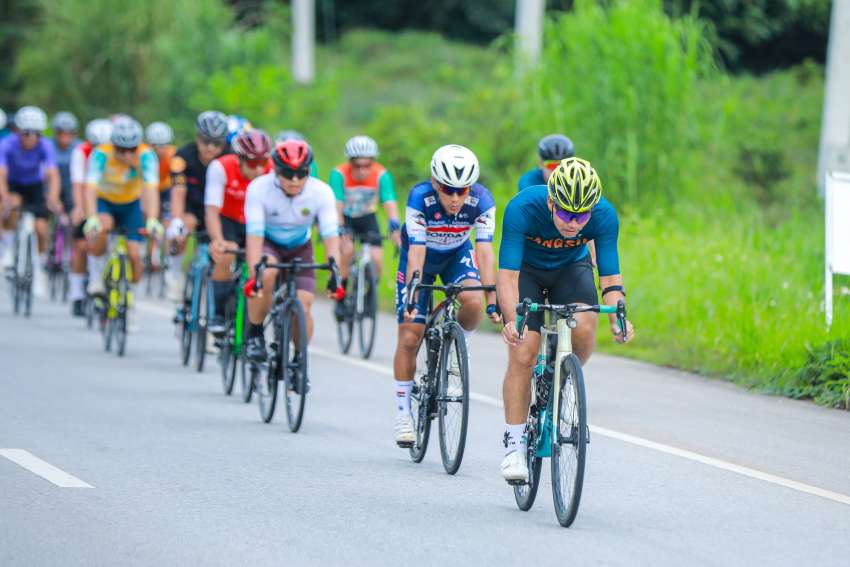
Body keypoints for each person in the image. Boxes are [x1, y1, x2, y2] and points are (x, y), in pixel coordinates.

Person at [497, 157, 634, 482]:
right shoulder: (522, 208)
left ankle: (566, 381)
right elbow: (507, 276)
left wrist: (619, 316)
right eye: (566, 213)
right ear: (550, 201)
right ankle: (513, 446)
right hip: (526, 273)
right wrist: (512, 319)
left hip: (571, 270)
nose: (574, 223)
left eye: (581, 215)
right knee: (523, 352)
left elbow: (611, 280)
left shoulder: (603, 216)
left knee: (586, 325)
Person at [392, 144, 500, 446]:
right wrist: (413, 295)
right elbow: (415, 251)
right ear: (435, 183)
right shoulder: (419, 198)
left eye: (462, 190)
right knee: (411, 334)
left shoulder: (482, 200)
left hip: (456, 255)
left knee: (474, 299)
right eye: (448, 190)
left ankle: (456, 346)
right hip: (422, 259)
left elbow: (485, 250)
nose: (455, 198)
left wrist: (492, 297)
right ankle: (403, 413)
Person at [242, 139, 341, 363]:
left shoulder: (321, 192)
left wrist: (335, 273)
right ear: (276, 170)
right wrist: (253, 275)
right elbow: (255, 236)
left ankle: (299, 358)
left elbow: (329, 235)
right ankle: (255, 334)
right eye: (288, 173)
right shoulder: (259, 188)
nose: (295, 180)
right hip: (270, 243)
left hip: (300, 246)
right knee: (265, 274)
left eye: (301, 172)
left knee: (304, 305)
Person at [82, 116, 163, 325]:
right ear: (113, 146)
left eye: (132, 149)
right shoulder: (101, 153)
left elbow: (151, 188)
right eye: (122, 149)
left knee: (135, 254)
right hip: (105, 202)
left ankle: (131, 299)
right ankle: (96, 277)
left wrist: (153, 219)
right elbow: (89, 188)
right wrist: (91, 217)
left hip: (130, 204)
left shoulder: (146, 155)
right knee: (103, 227)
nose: (127, 155)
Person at [204, 128, 272, 334]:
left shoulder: (272, 171)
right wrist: (217, 240)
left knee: (267, 264)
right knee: (226, 254)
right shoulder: (220, 167)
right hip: (229, 220)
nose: (259, 169)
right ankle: (217, 312)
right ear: (240, 159)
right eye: (253, 163)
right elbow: (212, 210)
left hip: (257, 223)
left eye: (263, 162)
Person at [329, 135, 401, 319]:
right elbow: (336, 204)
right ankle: (340, 298)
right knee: (346, 251)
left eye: (366, 165)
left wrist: (394, 226)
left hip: (368, 218)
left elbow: (390, 202)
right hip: (345, 218)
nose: (362, 170)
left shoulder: (382, 175)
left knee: (377, 260)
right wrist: (340, 228)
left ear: (372, 162)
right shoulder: (338, 174)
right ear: (350, 162)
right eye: (357, 165)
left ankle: (370, 296)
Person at [165, 110, 230, 299]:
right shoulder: (182, 156)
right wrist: (177, 220)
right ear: (197, 137)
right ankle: (175, 273)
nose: (210, 148)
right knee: (184, 226)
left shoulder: (231, 156)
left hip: (219, 209)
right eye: (205, 141)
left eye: (217, 143)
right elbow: (178, 192)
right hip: (192, 206)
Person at [0, 106, 61, 297]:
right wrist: (5, 196)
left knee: (41, 229)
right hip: (14, 184)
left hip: (35, 186)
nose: (30, 138)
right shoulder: (7, 143)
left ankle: (39, 267)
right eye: (26, 133)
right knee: (11, 206)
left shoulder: (46, 145)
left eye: (36, 134)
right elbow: (1, 173)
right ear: (18, 131)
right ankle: (8, 251)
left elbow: (53, 174)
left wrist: (52, 197)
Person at [68, 119, 112, 315]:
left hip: (107, 198)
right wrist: (79, 207)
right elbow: (78, 183)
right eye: (95, 146)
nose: (98, 150)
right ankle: (77, 294)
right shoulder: (81, 152)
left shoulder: (114, 154)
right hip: (87, 196)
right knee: (81, 245)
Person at [51, 112, 80, 215]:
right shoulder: (48, 146)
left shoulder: (80, 147)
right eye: (61, 132)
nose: (64, 136)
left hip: (72, 187)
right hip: (51, 187)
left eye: (69, 132)